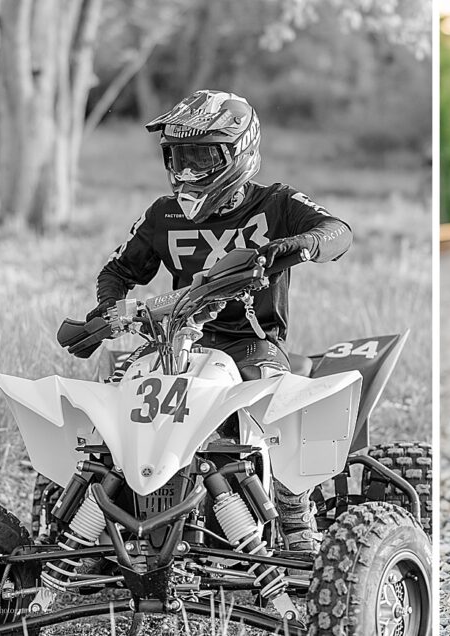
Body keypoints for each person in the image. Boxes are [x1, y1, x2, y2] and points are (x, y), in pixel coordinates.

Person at [87, 89, 352, 552]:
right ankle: (99, 513)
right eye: (178, 157)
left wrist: (296, 245)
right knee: (113, 407)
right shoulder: (164, 214)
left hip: (250, 342)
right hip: (178, 341)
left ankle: (295, 517)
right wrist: (108, 311)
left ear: (239, 152)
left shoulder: (276, 203)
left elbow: (338, 232)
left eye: (202, 156)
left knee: (272, 410)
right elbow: (117, 271)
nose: (187, 171)